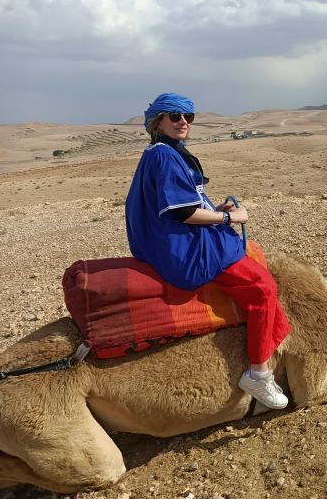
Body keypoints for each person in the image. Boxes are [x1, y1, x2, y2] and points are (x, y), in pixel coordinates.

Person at [125, 92, 292, 409]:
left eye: (188, 116)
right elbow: (183, 214)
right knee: (263, 288)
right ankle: (258, 373)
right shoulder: (162, 155)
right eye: (174, 116)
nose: (183, 121)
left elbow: (184, 206)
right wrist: (230, 217)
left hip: (179, 235)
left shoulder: (167, 153)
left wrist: (214, 209)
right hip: (184, 247)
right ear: (157, 122)